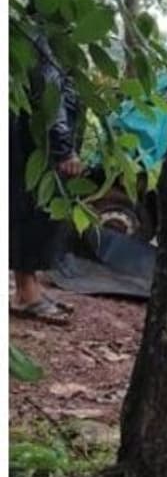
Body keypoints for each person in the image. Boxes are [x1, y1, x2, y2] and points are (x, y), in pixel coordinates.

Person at [10, 32, 81, 325]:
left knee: (32, 215)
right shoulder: (40, 39)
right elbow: (49, 95)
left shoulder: (42, 38)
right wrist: (64, 148)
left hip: (34, 146)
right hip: (39, 149)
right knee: (33, 215)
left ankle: (29, 288)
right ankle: (26, 294)